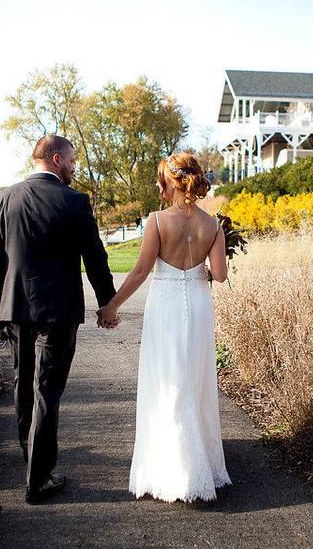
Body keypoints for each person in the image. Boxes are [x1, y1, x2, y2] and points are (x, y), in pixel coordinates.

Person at [0, 134, 119, 505]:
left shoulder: (2, 198)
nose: (75, 166)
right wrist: (108, 302)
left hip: (15, 311)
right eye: (72, 160)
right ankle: (37, 479)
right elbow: (94, 255)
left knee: (23, 386)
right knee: (46, 389)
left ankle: (34, 466)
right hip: (58, 311)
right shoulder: (74, 202)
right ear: (57, 159)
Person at [98, 152, 232, 502]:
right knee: (195, 377)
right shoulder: (214, 225)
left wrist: (112, 305)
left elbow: (141, 271)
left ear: (170, 182)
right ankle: (200, 466)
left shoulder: (157, 220)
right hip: (199, 303)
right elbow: (219, 274)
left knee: (168, 379)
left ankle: (174, 469)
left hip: (167, 306)